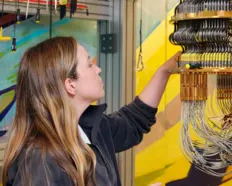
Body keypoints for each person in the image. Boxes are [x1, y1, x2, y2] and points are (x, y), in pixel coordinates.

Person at [2, 36, 180, 186]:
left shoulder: (89, 128)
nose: (98, 69)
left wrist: (164, 71)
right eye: (89, 64)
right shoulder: (40, 161)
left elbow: (132, 123)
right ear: (71, 84)